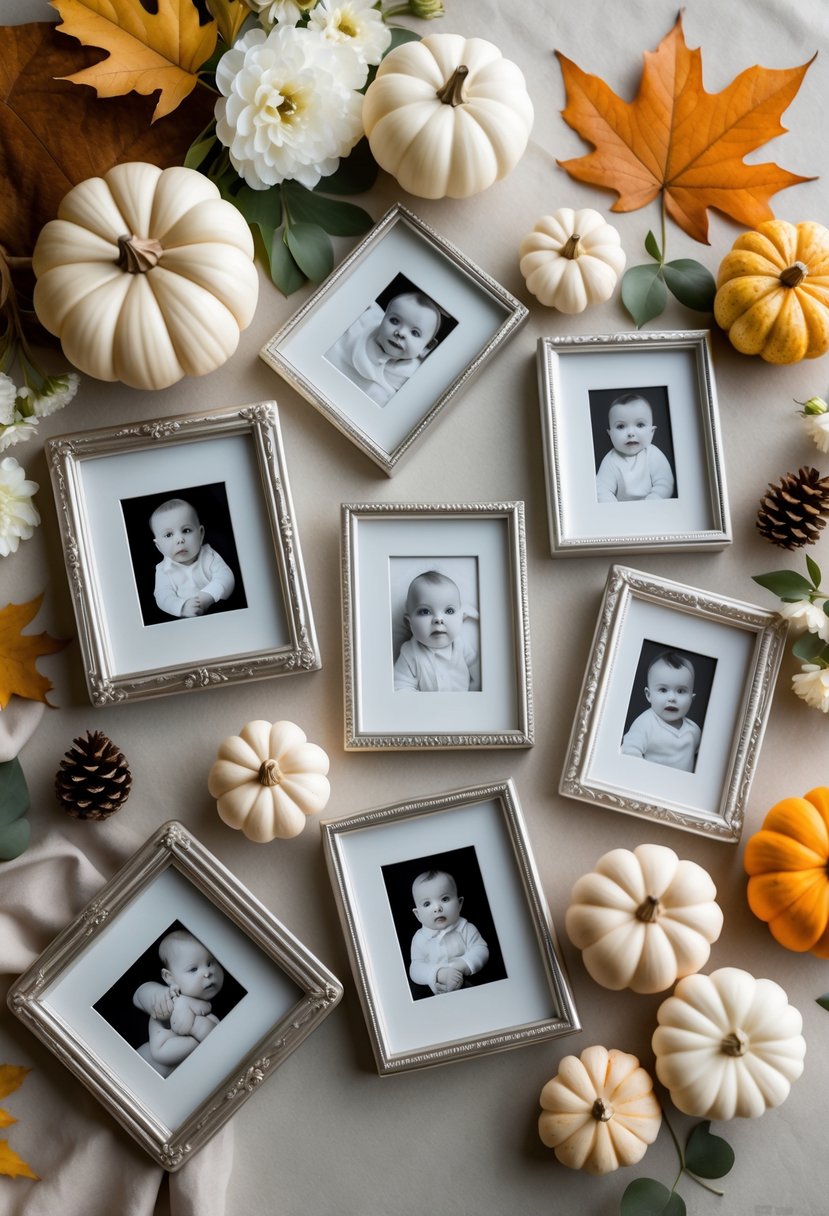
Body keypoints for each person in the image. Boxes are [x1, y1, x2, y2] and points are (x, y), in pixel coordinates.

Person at [325, 290, 444, 407]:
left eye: (415, 333)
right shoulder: (362, 327)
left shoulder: (410, 377)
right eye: (394, 321)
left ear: (426, 348)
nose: (401, 333)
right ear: (383, 319)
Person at [133, 930, 224, 1077]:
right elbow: (159, 1052)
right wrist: (196, 1029)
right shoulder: (169, 1003)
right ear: (170, 978)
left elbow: (219, 1047)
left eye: (210, 962)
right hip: (135, 1069)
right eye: (193, 969)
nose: (207, 973)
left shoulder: (211, 1013)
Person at [393, 570, 480, 693]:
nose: (438, 619)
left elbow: (480, 673)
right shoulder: (410, 653)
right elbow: (400, 687)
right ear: (409, 623)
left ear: (462, 618)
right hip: (426, 710)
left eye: (449, 611)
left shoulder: (462, 645)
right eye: (425, 611)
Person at [150, 497, 235, 619]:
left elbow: (225, 578)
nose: (180, 539)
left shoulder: (209, 555)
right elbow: (162, 596)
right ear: (158, 546)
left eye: (186, 530)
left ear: (201, 534)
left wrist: (207, 596)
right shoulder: (162, 569)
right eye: (168, 535)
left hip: (219, 610)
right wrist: (182, 607)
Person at [409, 869, 489, 996]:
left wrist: (462, 965)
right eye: (427, 903)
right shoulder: (420, 938)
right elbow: (415, 968)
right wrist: (439, 974)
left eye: (445, 899)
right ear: (418, 915)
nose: (437, 908)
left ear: (459, 903)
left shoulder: (466, 928)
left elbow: (481, 950)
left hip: (470, 983)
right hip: (439, 989)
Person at [621, 651, 701, 772]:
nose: (672, 698)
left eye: (680, 691)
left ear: (691, 698)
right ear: (649, 695)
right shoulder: (645, 723)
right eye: (663, 690)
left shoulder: (694, 730)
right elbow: (628, 750)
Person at [596, 392, 675, 502]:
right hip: (622, 512)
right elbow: (602, 489)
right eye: (621, 426)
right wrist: (613, 508)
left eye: (640, 425)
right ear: (610, 434)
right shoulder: (610, 460)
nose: (630, 433)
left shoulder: (653, 454)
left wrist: (653, 501)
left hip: (652, 508)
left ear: (651, 432)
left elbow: (664, 483)